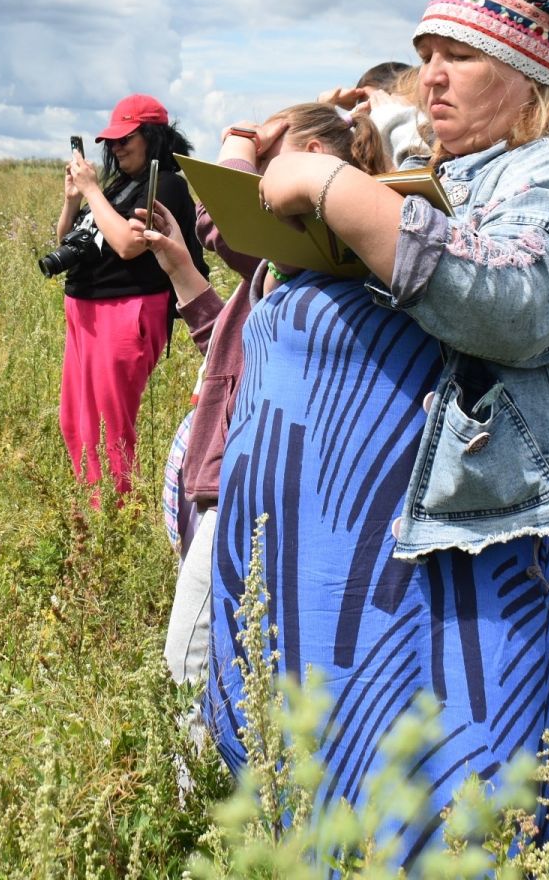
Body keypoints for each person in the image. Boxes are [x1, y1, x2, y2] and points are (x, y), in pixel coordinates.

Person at [215, 0, 549, 867]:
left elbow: (496, 301)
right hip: (362, 565)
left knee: (474, 791)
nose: (432, 76)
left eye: (459, 52)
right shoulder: (441, 174)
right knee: (345, 774)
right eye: (425, 53)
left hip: (481, 558)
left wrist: (338, 190)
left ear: (531, 75)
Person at [133, 103, 390, 686]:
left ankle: (196, 776)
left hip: (246, 491)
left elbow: (217, 218)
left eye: (271, 164)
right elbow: (234, 350)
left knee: (192, 666)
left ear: (314, 162)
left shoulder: (321, 250)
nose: (261, 179)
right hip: (243, 484)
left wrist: (240, 139)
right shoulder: (301, 259)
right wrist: (178, 268)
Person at [53, 95, 208, 501]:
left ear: (153, 137)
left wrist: (91, 190)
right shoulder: (119, 186)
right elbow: (65, 240)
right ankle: (93, 507)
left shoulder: (167, 185)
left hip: (126, 311)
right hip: (85, 310)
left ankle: (118, 514)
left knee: (110, 426)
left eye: (127, 139)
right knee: (75, 420)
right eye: (113, 141)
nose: (117, 148)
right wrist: (74, 197)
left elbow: (126, 244)